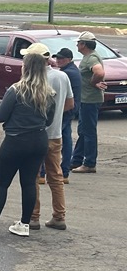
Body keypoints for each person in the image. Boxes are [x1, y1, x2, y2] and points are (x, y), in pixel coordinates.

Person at [0, 52, 55, 238]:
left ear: (26, 68)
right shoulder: (49, 93)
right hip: (38, 140)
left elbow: (0, 115)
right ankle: (24, 224)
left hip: (16, 139)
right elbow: (49, 120)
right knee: (29, 182)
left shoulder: (16, 90)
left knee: (1, 183)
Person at [29, 44, 74, 230]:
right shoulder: (62, 76)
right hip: (55, 134)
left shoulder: (32, 79)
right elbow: (70, 104)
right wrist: (55, 117)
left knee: (32, 176)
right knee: (55, 176)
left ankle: (33, 216)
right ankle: (59, 215)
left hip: (35, 134)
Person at [70, 31, 104, 174]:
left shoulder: (91, 58)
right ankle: (76, 160)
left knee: (89, 132)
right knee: (83, 131)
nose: (77, 45)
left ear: (84, 44)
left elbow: (99, 72)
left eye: (78, 43)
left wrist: (93, 82)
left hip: (90, 100)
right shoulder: (88, 57)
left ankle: (89, 163)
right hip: (86, 99)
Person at [54, 47, 82, 180]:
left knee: (56, 139)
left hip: (66, 109)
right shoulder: (72, 70)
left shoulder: (68, 73)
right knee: (66, 138)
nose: (58, 60)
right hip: (71, 108)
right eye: (57, 58)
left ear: (69, 59)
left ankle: (52, 170)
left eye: (61, 58)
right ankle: (64, 171)